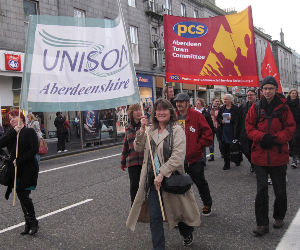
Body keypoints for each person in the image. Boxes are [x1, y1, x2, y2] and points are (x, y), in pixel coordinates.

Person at [126, 98, 200, 249]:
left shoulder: (177, 130)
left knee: (177, 214)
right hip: (153, 181)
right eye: (158, 110)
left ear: (170, 112)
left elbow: (178, 156)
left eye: (164, 109)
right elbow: (138, 147)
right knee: (155, 217)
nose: (161, 112)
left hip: (170, 179)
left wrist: (162, 173)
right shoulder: (150, 129)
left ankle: (187, 233)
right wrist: (141, 130)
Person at [245, 76, 296, 236]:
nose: (267, 91)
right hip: (259, 156)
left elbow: (290, 127)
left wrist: (275, 139)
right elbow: (249, 127)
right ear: (261, 90)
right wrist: (262, 137)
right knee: (261, 191)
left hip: (278, 155)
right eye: (265, 88)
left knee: (280, 190)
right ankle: (262, 224)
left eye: (271, 88)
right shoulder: (255, 107)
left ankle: (279, 216)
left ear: (276, 90)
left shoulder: (284, 108)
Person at [0, 110, 39, 235]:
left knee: (24, 196)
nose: (12, 120)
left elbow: (34, 149)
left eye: (14, 117)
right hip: (15, 170)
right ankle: (28, 223)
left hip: (28, 169)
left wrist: (20, 160)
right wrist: (13, 131)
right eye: (10, 119)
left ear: (21, 117)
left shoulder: (29, 131)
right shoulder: (11, 133)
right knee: (21, 196)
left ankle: (33, 222)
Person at [174, 92, 213, 216]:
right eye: (177, 102)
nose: (178, 104)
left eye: (181, 101)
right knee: (180, 185)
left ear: (187, 103)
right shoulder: (173, 117)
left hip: (194, 158)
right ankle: (183, 210)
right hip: (178, 159)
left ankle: (207, 203)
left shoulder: (197, 116)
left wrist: (197, 146)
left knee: (200, 182)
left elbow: (208, 135)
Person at [121, 104, 144, 205]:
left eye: (140, 110)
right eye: (136, 110)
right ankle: (134, 209)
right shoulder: (128, 127)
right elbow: (126, 144)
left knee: (144, 185)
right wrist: (123, 161)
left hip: (144, 160)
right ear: (131, 113)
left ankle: (146, 207)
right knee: (134, 186)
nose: (139, 112)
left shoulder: (145, 125)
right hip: (132, 161)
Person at [217, 94, 241, 170]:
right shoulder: (222, 108)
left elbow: (238, 119)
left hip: (233, 130)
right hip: (224, 131)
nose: (224, 101)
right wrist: (221, 121)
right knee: (225, 148)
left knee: (235, 147)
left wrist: (232, 118)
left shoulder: (235, 108)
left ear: (230, 100)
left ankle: (237, 160)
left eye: (226, 99)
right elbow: (218, 117)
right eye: (224, 99)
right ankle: (226, 164)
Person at [239, 89, 257, 172]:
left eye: (251, 95)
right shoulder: (243, 106)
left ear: (255, 96)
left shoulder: (259, 105)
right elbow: (238, 119)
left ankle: (256, 165)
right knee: (245, 149)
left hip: (256, 132)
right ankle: (253, 163)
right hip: (244, 132)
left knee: (255, 150)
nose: (249, 96)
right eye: (248, 95)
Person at [194, 98, 214, 167]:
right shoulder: (193, 112)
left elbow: (210, 123)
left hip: (202, 132)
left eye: (198, 103)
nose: (197, 104)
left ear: (202, 104)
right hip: (195, 132)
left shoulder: (205, 113)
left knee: (203, 148)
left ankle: (203, 162)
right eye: (196, 103)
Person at [287, 89, 300, 168]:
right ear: (290, 94)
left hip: (298, 124)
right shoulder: (286, 103)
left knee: (295, 140)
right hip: (288, 124)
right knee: (291, 141)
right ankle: (296, 155)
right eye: (293, 93)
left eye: (295, 93)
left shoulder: (299, 102)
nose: (294, 94)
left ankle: (294, 160)